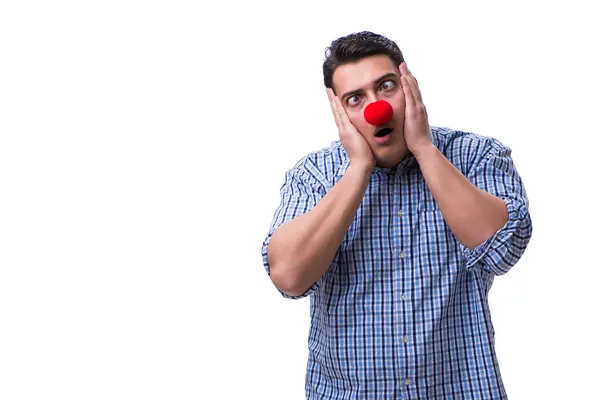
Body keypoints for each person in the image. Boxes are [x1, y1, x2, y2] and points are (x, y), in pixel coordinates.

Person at [260, 31, 533, 400]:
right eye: (355, 99)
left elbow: (501, 249)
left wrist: (424, 148)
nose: (377, 108)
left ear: (409, 86)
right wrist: (358, 168)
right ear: (338, 112)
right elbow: (289, 277)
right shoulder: (314, 175)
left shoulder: (476, 155)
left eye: (386, 86)